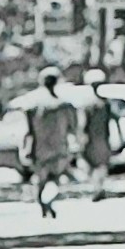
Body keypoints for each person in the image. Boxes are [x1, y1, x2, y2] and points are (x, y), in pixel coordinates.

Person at [26, 67, 75, 218]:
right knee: (55, 179)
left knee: (41, 180)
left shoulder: (33, 106)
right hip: (59, 148)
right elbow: (72, 127)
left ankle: (42, 202)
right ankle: (48, 202)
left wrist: (28, 148)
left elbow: (29, 130)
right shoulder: (64, 106)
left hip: (40, 149)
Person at [82, 68, 114, 202]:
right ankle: (99, 188)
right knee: (100, 165)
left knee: (94, 165)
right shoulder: (105, 104)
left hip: (93, 138)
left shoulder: (89, 104)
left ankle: (98, 189)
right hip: (101, 138)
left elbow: (84, 123)